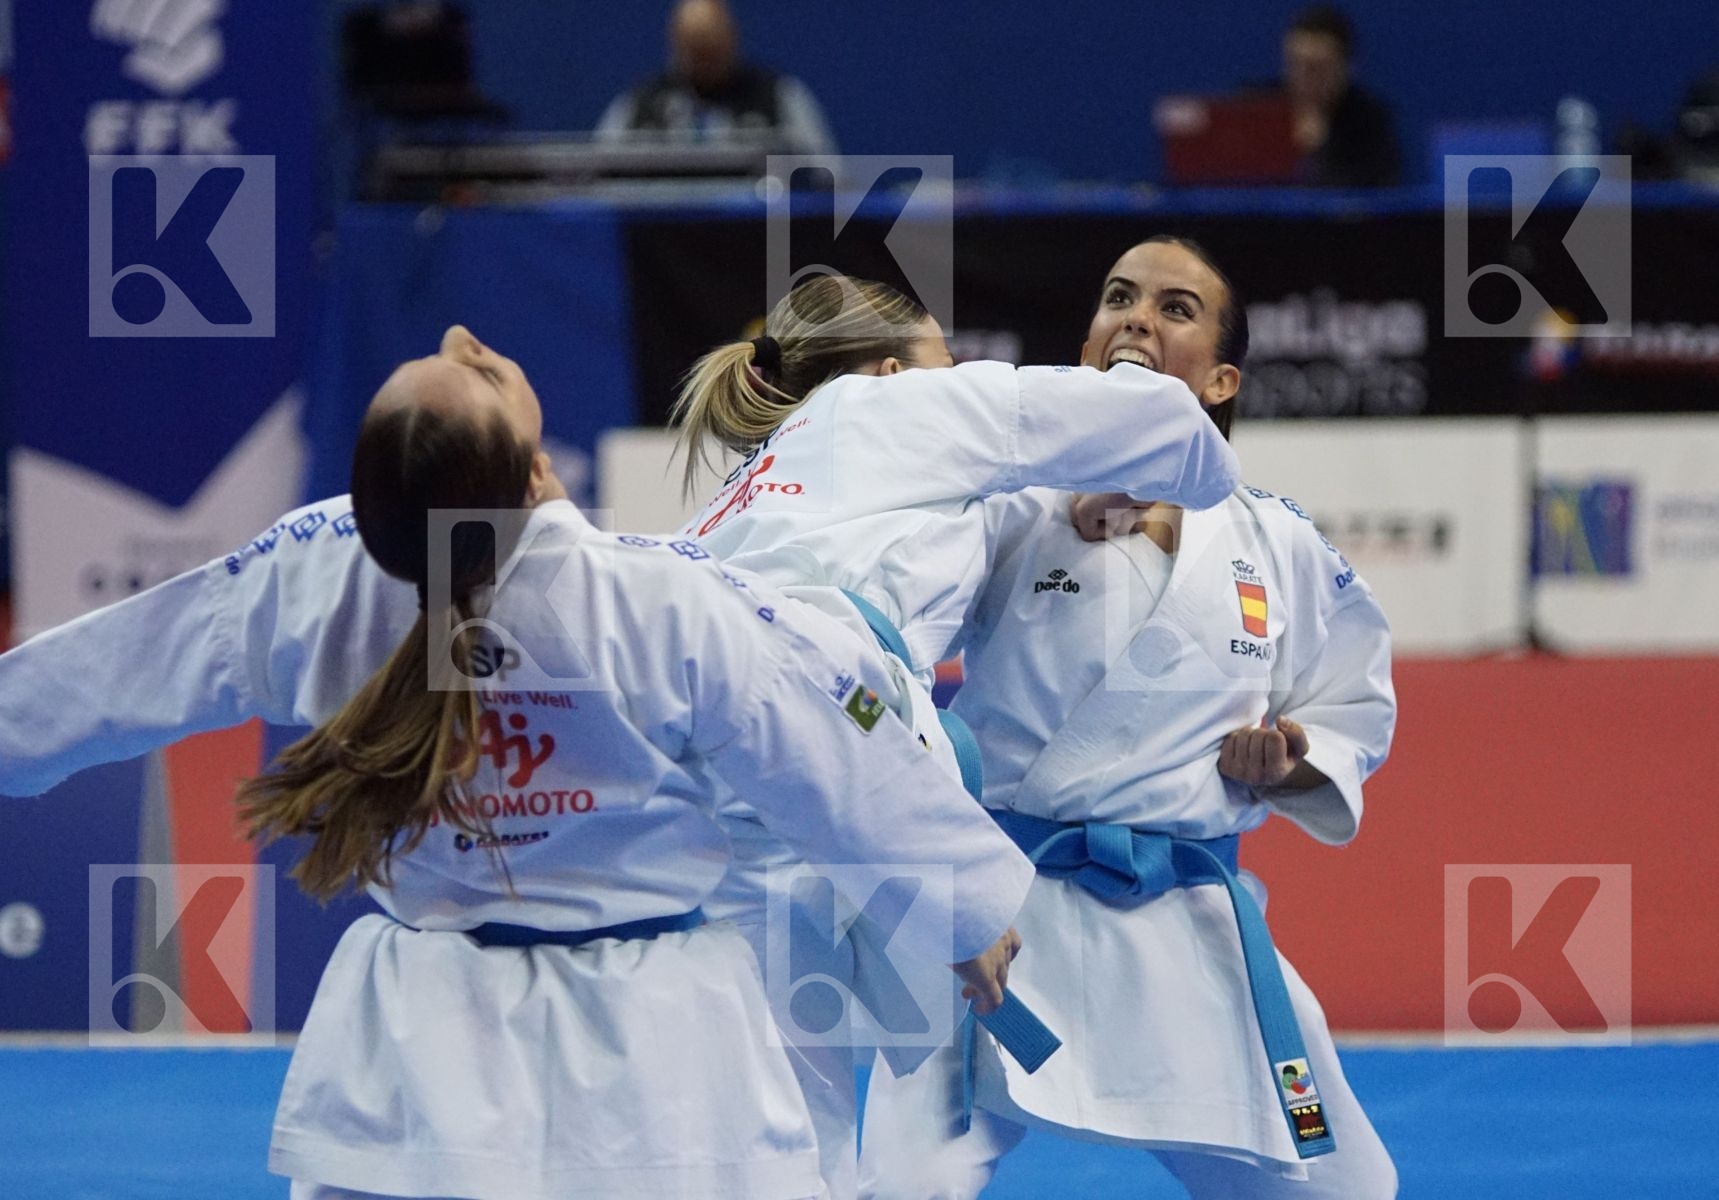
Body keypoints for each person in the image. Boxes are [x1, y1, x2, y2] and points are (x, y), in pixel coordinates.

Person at [0, 327, 1036, 1200]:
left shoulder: (314, 574)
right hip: (656, 1041)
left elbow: (109, 675)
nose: (462, 338)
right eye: (478, 371)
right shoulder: (659, 601)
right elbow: (829, 754)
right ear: (538, 474)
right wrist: (960, 908)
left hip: (421, 1039)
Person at [674, 273, 1245, 1196]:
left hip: (727, 800)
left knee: (772, 1135)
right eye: (947, 357)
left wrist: (1076, 495)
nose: (959, 373)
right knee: (815, 1123)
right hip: (828, 741)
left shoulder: (753, 486)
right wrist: (955, 905)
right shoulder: (898, 405)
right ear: (895, 370)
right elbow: (1174, 429)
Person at [856, 236, 1399, 1199]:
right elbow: (882, 641)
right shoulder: (1005, 508)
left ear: (1220, 381)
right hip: (1000, 913)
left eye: (1174, 308)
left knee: (1341, 1186)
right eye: (1118, 298)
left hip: (1187, 918)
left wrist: (1293, 757)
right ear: (1086, 348)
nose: (1138, 317)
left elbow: (1353, 698)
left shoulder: (1277, 539)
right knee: (905, 1185)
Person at [596, 0, 836, 156]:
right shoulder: (641, 105)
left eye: (713, 53)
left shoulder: (777, 97)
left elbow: (826, 177)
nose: (706, 66)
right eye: (696, 55)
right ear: (676, 46)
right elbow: (597, 177)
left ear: (732, 40)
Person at [1284, 4, 1401, 187]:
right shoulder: (1261, 110)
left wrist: (1321, 149)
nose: (1304, 76)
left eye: (1317, 67)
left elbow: (1376, 185)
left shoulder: (1369, 121)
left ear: (1345, 67)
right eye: (1296, 63)